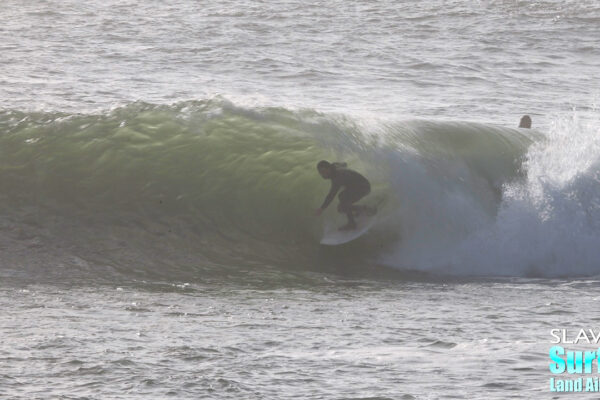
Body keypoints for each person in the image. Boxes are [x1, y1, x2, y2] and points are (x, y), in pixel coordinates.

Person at [314, 160, 372, 230]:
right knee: (341, 208)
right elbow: (345, 164)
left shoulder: (337, 177)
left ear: (329, 168)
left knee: (342, 197)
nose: (322, 175)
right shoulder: (334, 165)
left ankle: (352, 224)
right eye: (320, 173)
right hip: (362, 185)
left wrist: (321, 208)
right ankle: (363, 209)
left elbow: (331, 195)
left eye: (323, 172)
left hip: (363, 188)